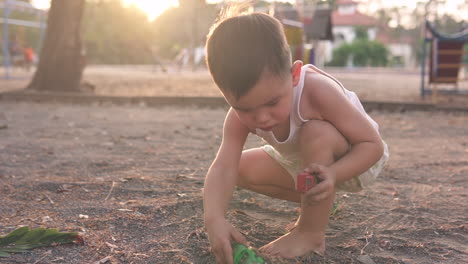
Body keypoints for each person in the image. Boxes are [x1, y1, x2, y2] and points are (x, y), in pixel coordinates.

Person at [202, 11, 389, 263]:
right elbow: (223, 167)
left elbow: (371, 145)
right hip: (304, 163)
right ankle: (323, 204)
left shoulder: (317, 91)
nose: (262, 118)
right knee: (238, 168)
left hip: (357, 162)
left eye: (272, 102)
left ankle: (311, 232)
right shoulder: (237, 117)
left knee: (316, 132)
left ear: (294, 75)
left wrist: (333, 175)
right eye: (245, 108)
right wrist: (214, 219)